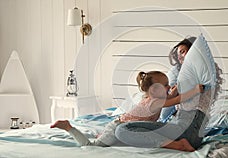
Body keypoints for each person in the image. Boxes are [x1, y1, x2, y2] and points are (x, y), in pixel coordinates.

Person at [50, 71, 204, 151]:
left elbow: (170, 98)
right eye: (165, 85)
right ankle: (69, 127)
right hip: (118, 127)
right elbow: (176, 100)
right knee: (92, 146)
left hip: (126, 127)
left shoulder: (155, 99)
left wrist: (172, 91)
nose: (168, 87)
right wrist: (195, 91)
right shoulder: (155, 102)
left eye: (168, 84)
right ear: (153, 90)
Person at [158, 36, 196, 123]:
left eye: (182, 52)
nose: (179, 57)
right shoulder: (176, 72)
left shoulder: (204, 72)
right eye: (178, 54)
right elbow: (166, 108)